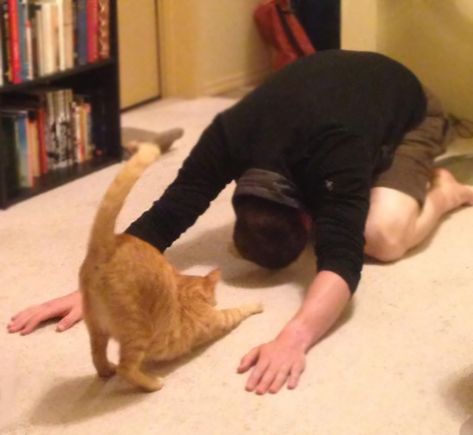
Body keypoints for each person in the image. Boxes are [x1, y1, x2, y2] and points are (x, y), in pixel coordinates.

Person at [8, 50, 473, 395]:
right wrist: (99, 281)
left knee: (383, 238)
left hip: (408, 104)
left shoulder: (339, 152)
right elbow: (168, 214)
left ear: (308, 215)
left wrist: (295, 337)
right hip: (333, 92)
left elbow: (343, 260)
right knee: (358, 212)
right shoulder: (230, 135)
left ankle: (445, 193)